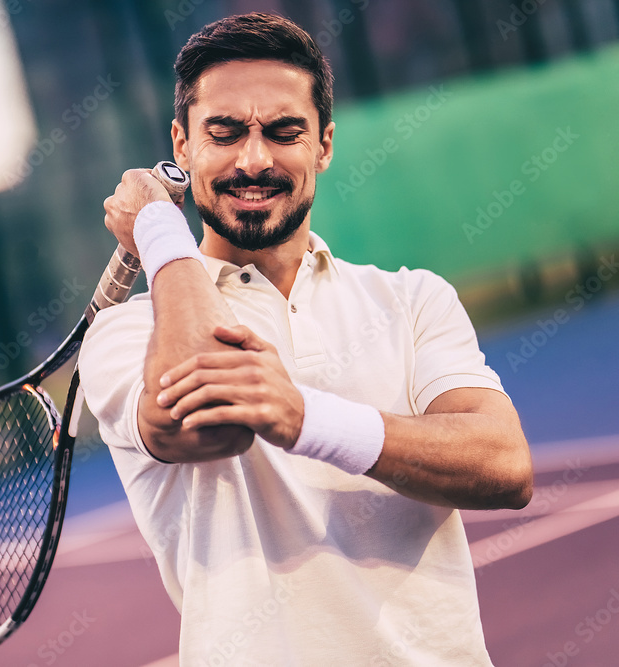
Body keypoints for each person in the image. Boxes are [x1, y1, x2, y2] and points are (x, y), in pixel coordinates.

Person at [78, 12, 533, 666]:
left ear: (323, 144)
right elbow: (212, 423)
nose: (254, 158)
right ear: (182, 145)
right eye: (225, 132)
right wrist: (158, 229)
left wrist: (304, 416)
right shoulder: (126, 333)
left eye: (284, 131)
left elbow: (505, 465)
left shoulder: (411, 299)